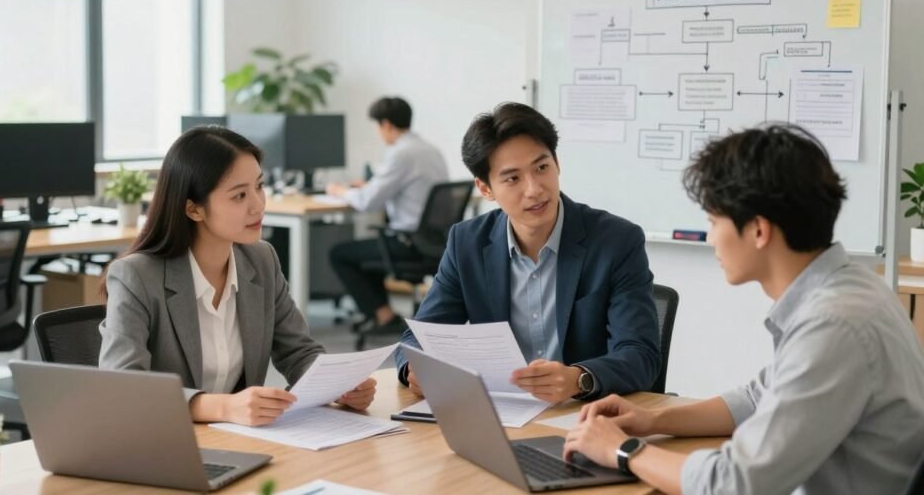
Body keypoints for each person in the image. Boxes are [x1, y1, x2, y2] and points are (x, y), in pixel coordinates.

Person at [562, 125, 924, 495]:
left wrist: (623, 450)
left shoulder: (834, 325)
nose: (710, 237)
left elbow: (737, 483)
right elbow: (759, 397)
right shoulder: (851, 288)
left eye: (713, 221)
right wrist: (652, 419)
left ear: (758, 231)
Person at [98, 126, 376, 427]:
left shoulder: (261, 260)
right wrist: (222, 408)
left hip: (240, 442)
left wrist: (338, 386)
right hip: (164, 442)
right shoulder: (136, 276)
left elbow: (299, 352)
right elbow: (123, 387)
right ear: (194, 209)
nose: (258, 204)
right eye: (239, 195)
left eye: (259, 186)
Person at [394, 102, 661, 403]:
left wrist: (579, 378)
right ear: (485, 189)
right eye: (512, 178)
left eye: (542, 167)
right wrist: (412, 370)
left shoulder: (616, 241)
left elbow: (641, 355)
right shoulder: (466, 242)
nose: (534, 189)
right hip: (500, 412)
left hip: (583, 414)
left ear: (557, 163)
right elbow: (419, 337)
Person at [327, 96, 448, 333]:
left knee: (339, 254)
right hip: (434, 241)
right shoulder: (430, 150)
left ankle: (383, 315)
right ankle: (384, 314)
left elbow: (367, 202)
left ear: (386, 125)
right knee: (366, 250)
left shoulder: (400, 153)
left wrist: (339, 190)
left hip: (409, 243)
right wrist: (369, 186)